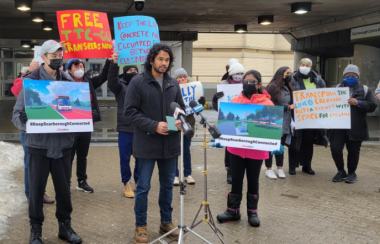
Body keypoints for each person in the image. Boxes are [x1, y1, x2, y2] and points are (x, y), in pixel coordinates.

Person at [12, 40, 82, 244]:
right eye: (54, 55)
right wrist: (30, 124)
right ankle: (35, 231)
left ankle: (65, 227)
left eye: (61, 54)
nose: (58, 59)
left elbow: (76, 109)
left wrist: (80, 119)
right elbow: (17, 115)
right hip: (38, 146)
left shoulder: (67, 80)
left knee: (63, 191)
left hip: (63, 146)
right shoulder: (31, 81)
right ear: (44, 57)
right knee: (35, 192)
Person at [124, 43, 184, 243]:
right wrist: (153, 125)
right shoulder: (137, 82)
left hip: (170, 145)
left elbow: (181, 110)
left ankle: (165, 222)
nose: (164, 63)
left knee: (167, 185)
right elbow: (130, 112)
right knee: (143, 187)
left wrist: (180, 122)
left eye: (167, 60)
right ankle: (140, 226)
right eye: (160, 59)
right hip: (147, 144)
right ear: (151, 60)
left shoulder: (173, 84)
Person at [216, 70, 273, 227]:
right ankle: (233, 211)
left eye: (252, 82)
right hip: (236, 150)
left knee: (253, 180)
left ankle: (252, 212)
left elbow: (271, 128)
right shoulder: (235, 100)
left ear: (259, 84)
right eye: (246, 81)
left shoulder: (267, 104)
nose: (248, 84)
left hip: (256, 152)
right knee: (236, 179)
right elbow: (227, 122)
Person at [11, 62, 55, 204]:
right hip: (29, 130)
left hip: (44, 129)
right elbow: (17, 90)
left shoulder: (46, 82)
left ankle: (40, 192)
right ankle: (31, 195)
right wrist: (28, 73)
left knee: (42, 165)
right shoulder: (25, 80)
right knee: (30, 164)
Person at [67, 54, 112, 193]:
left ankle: (82, 181)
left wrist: (109, 60)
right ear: (69, 70)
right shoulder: (63, 82)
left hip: (86, 124)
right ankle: (65, 182)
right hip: (69, 126)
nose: (80, 67)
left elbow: (104, 76)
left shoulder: (88, 82)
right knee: (68, 157)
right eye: (76, 66)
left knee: (82, 156)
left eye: (81, 65)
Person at [330, 64, 376, 183]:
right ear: (343, 76)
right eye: (348, 75)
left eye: (353, 75)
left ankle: (351, 173)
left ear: (358, 77)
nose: (350, 77)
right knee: (335, 148)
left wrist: (359, 103)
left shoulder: (365, 90)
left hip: (356, 126)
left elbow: (372, 106)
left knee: (354, 151)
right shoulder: (335, 89)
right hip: (338, 127)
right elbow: (326, 106)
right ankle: (341, 171)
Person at [107, 53, 140, 198]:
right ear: (124, 73)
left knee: (141, 157)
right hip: (125, 128)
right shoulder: (120, 86)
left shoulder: (142, 84)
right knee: (124, 158)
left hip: (140, 128)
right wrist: (114, 64)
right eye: (130, 71)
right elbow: (111, 81)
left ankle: (138, 181)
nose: (133, 73)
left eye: (135, 71)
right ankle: (126, 183)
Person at [289, 58, 326, 175]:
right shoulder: (291, 79)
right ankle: (292, 166)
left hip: (311, 117)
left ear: (311, 67)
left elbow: (324, 96)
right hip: (296, 115)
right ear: (299, 66)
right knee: (295, 141)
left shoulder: (318, 80)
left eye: (307, 65)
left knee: (308, 142)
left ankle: (307, 165)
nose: (305, 67)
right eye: (302, 64)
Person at [212, 58, 245, 184]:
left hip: (242, 119)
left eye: (241, 74)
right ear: (231, 74)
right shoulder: (224, 86)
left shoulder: (246, 85)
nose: (239, 76)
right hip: (228, 120)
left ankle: (239, 171)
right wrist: (215, 100)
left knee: (241, 144)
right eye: (237, 73)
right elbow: (219, 109)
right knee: (230, 146)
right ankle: (230, 171)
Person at [264, 66, 296, 179]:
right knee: (271, 145)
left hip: (285, 121)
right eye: (287, 73)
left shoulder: (288, 86)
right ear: (281, 74)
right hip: (274, 120)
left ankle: (280, 168)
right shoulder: (273, 87)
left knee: (280, 146)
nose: (289, 75)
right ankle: (268, 168)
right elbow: (270, 104)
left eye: (290, 73)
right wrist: (287, 107)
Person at [173, 68, 196, 186]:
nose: (182, 79)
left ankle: (187, 174)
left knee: (186, 150)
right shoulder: (171, 88)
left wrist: (199, 102)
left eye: (184, 76)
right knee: (174, 150)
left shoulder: (192, 90)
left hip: (188, 122)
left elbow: (196, 107)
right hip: (175, 122)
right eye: (179, 77)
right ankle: (174, 175)